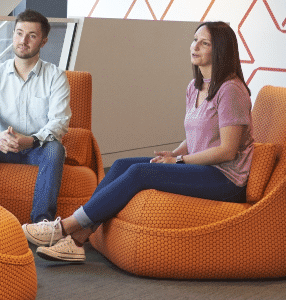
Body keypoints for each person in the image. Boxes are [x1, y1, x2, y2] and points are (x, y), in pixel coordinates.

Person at [23, 21, 254, 263]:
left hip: (225, 179)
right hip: (199, 167)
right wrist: (175, 153)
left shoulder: (230, 91)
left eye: (204, 43)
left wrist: (177, 161)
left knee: (140, 173)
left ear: (220, 50)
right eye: (194, 40)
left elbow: (227, 150)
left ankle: (65, 227)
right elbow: (200, 135)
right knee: (122, 165)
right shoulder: (195, 87)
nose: (194, 47)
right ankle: (79, 239)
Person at [0, 9, 71, 224]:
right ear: (13, 35)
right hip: (4, 146)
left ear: (43, 42)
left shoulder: (55, 76)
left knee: (55, 149)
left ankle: (41, 223)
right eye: (19, 33)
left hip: (37, 147)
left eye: (32, 35)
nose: (23, 40)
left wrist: (30, 140)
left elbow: (59, 121)